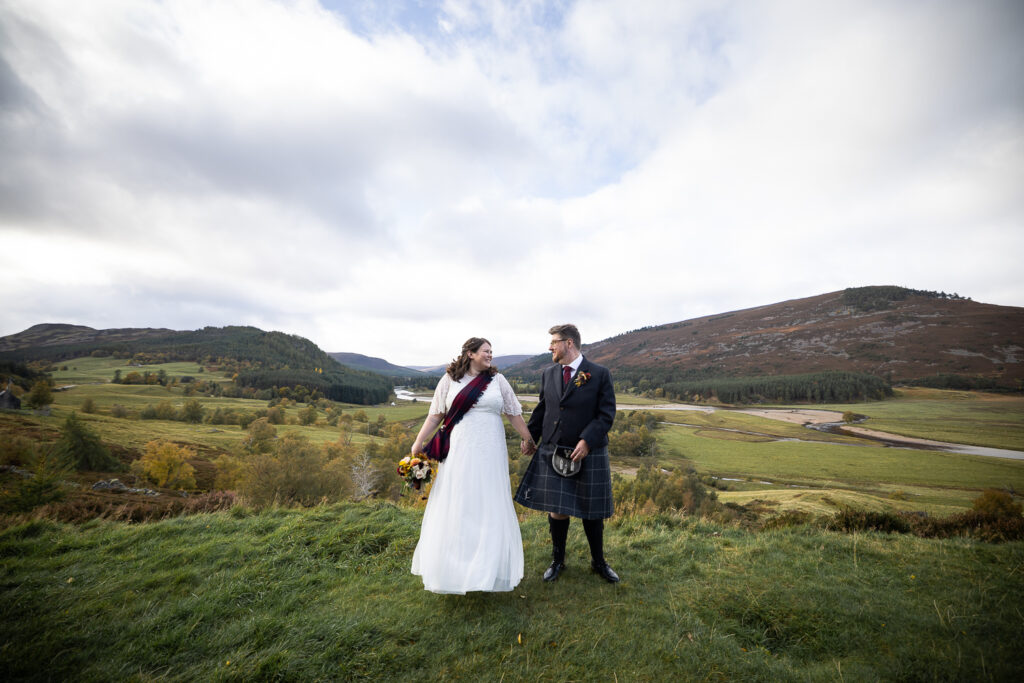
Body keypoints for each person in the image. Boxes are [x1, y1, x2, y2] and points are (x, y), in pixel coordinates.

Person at [410, 337, 535, 594]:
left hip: (491, 449)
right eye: (486, 351)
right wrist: (418, 442)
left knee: (489, 500)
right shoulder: (449, 381)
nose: (490, 356)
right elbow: (435, 415)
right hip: (461, 449)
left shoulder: (498, 381)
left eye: (491, 352)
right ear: (470, 353)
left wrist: (527, 437)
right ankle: (455, 567)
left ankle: (488, 568)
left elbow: (513, 412)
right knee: (461, 500)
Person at [514, 324, 619, 583]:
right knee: (557, 509)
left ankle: (598, 562)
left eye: (554, 342)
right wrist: (529, 437)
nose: (550, 347)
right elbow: (543, 411)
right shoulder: (549, 374)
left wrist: (587, 441)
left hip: (586, 452)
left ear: (569, 343)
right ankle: (557, 560)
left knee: (591, 509)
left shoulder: (599, 374)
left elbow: (606, 415)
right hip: (553, 449)